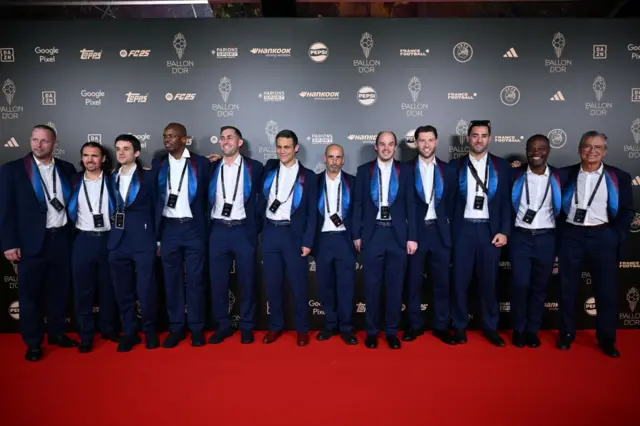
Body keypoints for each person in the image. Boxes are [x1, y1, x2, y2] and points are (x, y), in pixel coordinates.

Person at [0, 124, 78, 361]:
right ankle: (33, 342)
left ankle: (56, 333)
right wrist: (9, 242)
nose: (38, 144)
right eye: (35, 139)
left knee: (59, 292)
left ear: (54, 143)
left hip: (61, 239)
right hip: (31, 243)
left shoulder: (67, 168)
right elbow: (5, 210)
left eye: (44, 140)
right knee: (30, 295)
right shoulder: (12, 170)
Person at [557, 131, 633, 357]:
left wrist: (615, 236)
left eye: (597, 147)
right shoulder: (564, 175)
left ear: (605, 151)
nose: (592, 151)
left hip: (602, 237)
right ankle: (566, 334)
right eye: (587, 146)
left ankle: (607, 339)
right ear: (580, 149)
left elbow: (627, 211)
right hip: (572, 236)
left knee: (606, 291)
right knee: (567, 289)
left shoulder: (619, 176)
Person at [352, 131, 417, 349]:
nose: (386, 148)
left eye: (390, 144)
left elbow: (411, 205)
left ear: (395, 147)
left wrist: (413, 237)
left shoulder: (406, 171)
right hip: (373, 234)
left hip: (398, 236)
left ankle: (391, 332)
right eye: (382, 144)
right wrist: (356, 234)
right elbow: (358, 206)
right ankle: (371, 331)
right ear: (376, 147)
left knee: (395, 287)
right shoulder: (364, 172)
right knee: (371, 286)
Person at [450, 120, 511, 346]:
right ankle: (459, 326)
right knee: (459, 282)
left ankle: (490, 327)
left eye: (483, 135)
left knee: (489, 282)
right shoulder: (455, 166)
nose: (479, 140)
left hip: (489, 231)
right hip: (463, 229)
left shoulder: (502, 166)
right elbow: (448, 204)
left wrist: (504, 231)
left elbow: (506, 203)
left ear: (490, 138)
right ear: (468, 138)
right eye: (474, 135)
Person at [153, 123, 210, 348]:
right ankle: (176, 327)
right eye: (165, 136)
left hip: (193, 229)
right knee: (172, 280)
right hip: (169, 230)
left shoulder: (202, 163)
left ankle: (196, 328)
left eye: (172, 136)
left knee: (196, 281)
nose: (167, 139)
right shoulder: (158, 163)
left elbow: (209, 195)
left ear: (184, 139)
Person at [208, 126, 264, 344]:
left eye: (230, 137)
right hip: (218, 230)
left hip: (243, 230)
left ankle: (247, 326)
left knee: (247, 280)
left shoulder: (255, 167)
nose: (225, 141)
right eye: (222, 138)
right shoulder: (210, 167)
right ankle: (223, 325)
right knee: (218, 282)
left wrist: (254, 227)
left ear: (240, 142)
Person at [261, 130, 317, 346]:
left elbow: (313, 212)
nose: (282, 151)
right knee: (272, 284)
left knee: (298, 284)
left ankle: (302, 329)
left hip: (294, 236)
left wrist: (307, 241)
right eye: (279, 147)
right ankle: (275, 326)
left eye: (287, 147)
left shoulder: (308, 176)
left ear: (296, 148)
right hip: (270, 232)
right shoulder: (268, 168)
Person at [509, 135, 565, 348]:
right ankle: (518, 329)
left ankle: (532, 330)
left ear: (548, 151)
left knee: (540, 287)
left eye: (541, 148)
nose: (536, 152)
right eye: (532, 148)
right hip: (520, 237)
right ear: (526, 150)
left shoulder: (560, 177)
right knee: (520, 284)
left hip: (547, 238)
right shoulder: (515, 175)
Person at [403, 126, 457, 345]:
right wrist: (410, 234)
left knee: (442, 283)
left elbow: (453, 204)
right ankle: (414, 325)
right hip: (415, 233)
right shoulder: (405, 170)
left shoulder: (449, 170)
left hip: (440, 233)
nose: (426, 144)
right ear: (416, 143)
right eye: (422, 140)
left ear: (436, 142)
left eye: (430, 140)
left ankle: (441, 326)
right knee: (413, 282)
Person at [68, 142, 120, 353]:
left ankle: (108, 329)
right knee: (83, 291)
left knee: (109, 288)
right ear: (81, 158)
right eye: (86, 155)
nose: (90, 160)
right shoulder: (72, 181)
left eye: (94, 156)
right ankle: (86, 335)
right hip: (82, 240)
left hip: (108, 240)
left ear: (104, 159)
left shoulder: (113, 181)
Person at [108, 134, 158, 352]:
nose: (121, 152)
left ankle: (150, 332)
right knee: (123, 290)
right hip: (117, 240)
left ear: (136, 153)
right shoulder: (109, 177)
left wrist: (157, 240)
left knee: (146, 289)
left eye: (126, 149)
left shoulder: (149, 177)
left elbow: (158, 207)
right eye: (118, 148)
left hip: (143, 240)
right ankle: (130, 333)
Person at [313, 144, 357, 345]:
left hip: (344, 240)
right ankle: (330, 324)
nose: (334, 161)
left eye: (338, 157)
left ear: (343, 160)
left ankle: (347, 328)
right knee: (325, 286)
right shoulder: (313, 182)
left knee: (346, 286)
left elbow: (358, 214)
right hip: (322, 240)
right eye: (330, 156)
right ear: (324, 159)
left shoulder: (353, 183)